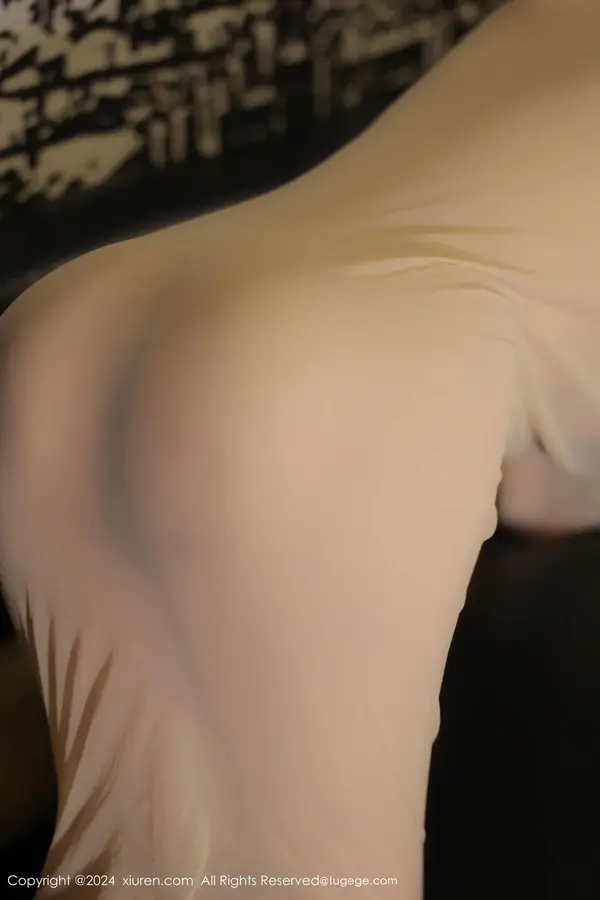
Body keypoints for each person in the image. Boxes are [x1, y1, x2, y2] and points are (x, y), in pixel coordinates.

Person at [1, 0, 600, 896]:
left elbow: (536, 473)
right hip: (329, 377)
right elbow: (543, 489)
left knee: (123, 868)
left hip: (75, 317)